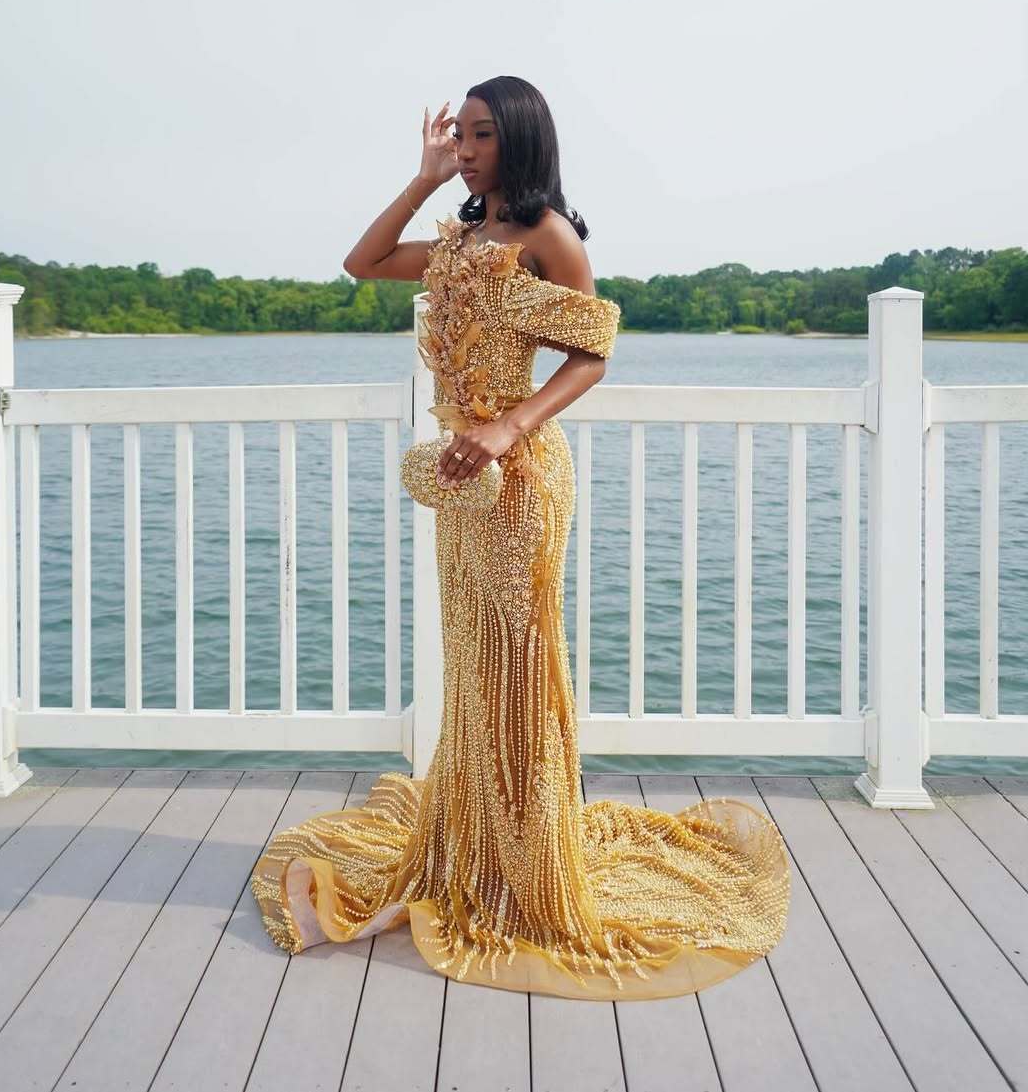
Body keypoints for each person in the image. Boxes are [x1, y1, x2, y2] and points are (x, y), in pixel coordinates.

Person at [250, 75, 791, 998]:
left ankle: (527, 868)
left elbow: (594, 352)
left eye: (482, 135)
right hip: (461, 478)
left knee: (520, 664)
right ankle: (474, 850)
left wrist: (510, 425)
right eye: (458, 135)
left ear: (521, 138)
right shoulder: (460, 239)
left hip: (521, 475)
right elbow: (362, 261)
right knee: (473, 665)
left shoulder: (548, 236)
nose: (466, 148)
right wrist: (424, 178)